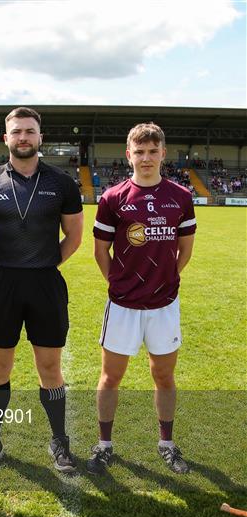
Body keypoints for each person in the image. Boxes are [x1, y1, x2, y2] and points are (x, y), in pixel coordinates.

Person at [0, 107, 83, 476]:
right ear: (6, 138)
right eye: (16, 131)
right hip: (2, 283)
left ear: (40, 137)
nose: (23, 137)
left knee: (50, 367)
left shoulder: (62, 183)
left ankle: (59, 440)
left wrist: (43, 264)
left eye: (30, 131)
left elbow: (75, 236)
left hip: (45, 283)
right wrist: (6, 267)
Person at [89, 122, 196, 475]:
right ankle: (104, 445)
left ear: (163, 154)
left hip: (164, 306)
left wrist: (165, 282)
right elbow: (101, 252)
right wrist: (121, 284)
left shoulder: (181, 197)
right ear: (128, 155)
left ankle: (166, 442)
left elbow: (185, 251)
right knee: (110, 377)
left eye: (153, 152)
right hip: (122, 306)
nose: (146, 158)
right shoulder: (112, 198)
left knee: (164, 377)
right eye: (139, 152)